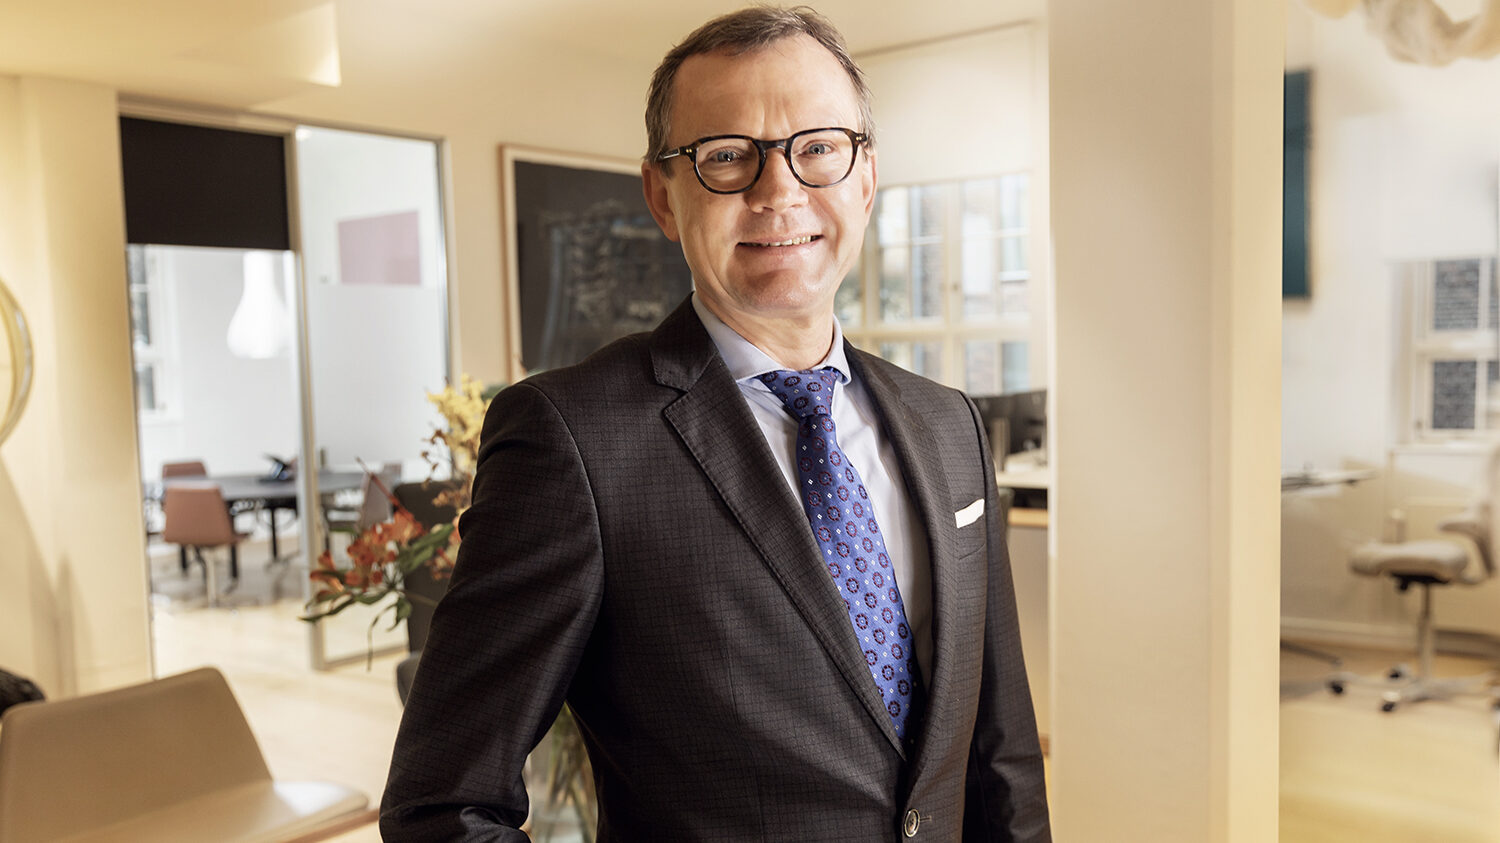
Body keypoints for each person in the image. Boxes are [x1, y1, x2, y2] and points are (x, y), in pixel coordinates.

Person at [381, 7, 1051, 841]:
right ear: (662, 196)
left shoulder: (948, 424)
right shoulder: (571, 440)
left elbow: (1000, 756)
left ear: (866, 178)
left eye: (818, 148)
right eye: (727, 155)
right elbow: (442, 804)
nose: (780, 192)